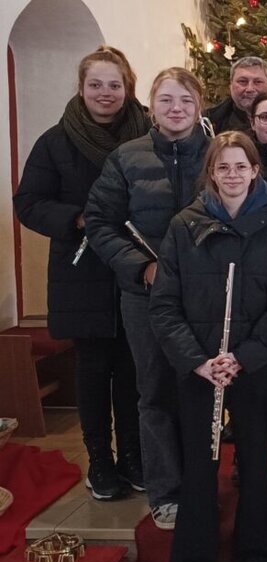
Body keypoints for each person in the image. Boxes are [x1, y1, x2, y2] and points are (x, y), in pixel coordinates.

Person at [148, 131, 267, 562]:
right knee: (199, 464)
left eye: (241, 166)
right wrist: (198, 361)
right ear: (210, 173)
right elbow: (164, 305)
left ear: (255, 171)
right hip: (199, 367)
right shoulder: (182, 225)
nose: (232, 175)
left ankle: (257, 556)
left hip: (250, 366)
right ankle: (194, 561)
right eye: (222, 167)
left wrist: (244, 358)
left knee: (254, 462)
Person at [14, 45, 150, 501]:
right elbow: (28, 204)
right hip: (82, 268)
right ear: (82, 87)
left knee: (133, 368)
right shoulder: (55, 142)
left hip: (136, 266)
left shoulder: (148, 133)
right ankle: (101, 462)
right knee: (93, 371)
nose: (105, 93)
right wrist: (76, 219)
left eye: (115, 85)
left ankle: (133, 456)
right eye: (96, 84)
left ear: (127, 88)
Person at [85, 67, 211, 531]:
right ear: (151, 106)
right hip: (146, 295)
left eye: (185, 100)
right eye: (166, 100)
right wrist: (142, 266)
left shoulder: (218, 155)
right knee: (154, 391)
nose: (176, 108)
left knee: (200, 390)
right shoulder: (126, 158)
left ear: (198, 105)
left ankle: (202, 485)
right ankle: (167, 493)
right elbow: (99, 222)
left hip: (207, 295)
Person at [204, 56, 267, 134]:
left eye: (258, 82)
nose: (250, 89)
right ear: (230, 85)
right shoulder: (209, 123)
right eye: (242, 81)